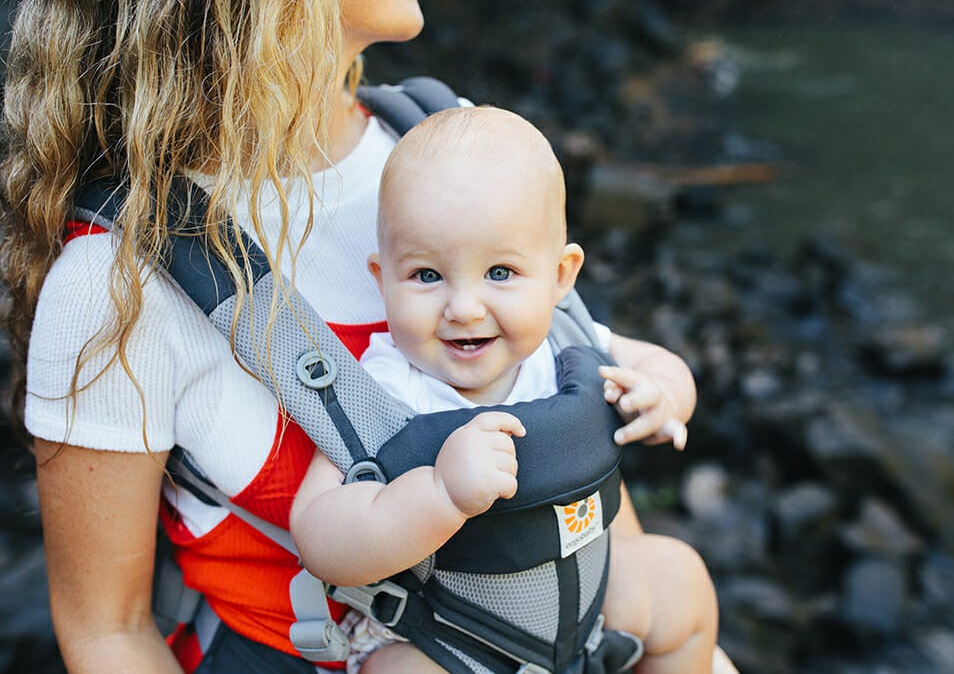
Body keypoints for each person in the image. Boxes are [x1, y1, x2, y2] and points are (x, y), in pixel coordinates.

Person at [0, 0, 711, 673]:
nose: (465, 307)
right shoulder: (116, 283)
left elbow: (582, 486)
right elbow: (106, 633)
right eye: (428, 280)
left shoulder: (443, 146)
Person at [290, 106, 719, 674]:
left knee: (677, 576)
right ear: (382, 279)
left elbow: (662, 366)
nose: (464, 308)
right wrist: (440, 495)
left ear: (561, 276)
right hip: (450, 639)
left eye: (499, 273)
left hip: (585, 612)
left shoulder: (566, 341)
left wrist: (664, 395)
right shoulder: (385, 390)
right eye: (426, 276)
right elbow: (318, 534)